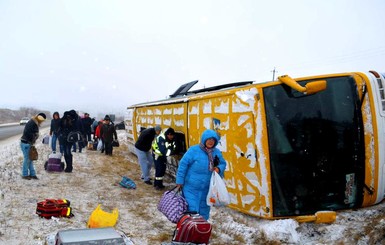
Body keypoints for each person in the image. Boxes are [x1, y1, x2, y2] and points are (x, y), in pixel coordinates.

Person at [175, 129, 227, 220]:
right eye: (209, 139)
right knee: (191, 211)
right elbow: (183, 165)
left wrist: (219, 168)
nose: (211, 142)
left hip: (207, 189)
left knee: (203, 213)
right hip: (191, 187)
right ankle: (188, 230)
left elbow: (223, 163)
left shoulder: (216, 152)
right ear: (204, 139)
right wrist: (179, 181)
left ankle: (200, 231)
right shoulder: (193, 150)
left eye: (213, 140)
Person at [20, 112, 46, 179]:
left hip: (28, 143)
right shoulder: (32, 123)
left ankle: (32, 174)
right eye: (42, 120)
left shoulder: (34, 122)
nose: (42, 122)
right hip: (26, 143)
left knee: (30, 159)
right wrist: (35, 135)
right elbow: (27, 133)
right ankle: (25, 174)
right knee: (27, 159)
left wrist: (35, 136)